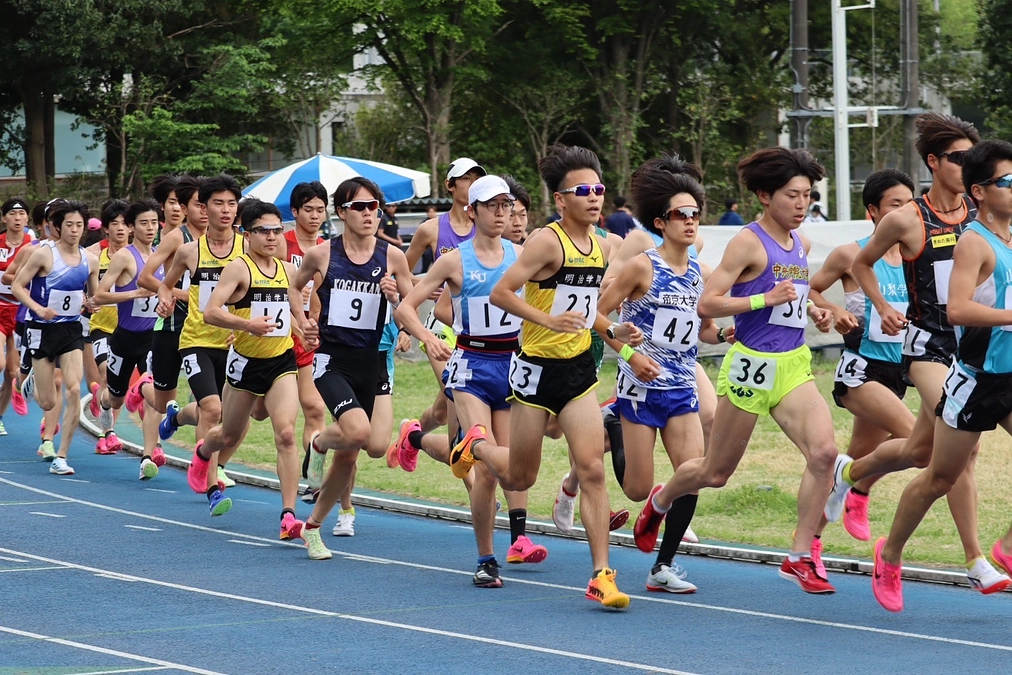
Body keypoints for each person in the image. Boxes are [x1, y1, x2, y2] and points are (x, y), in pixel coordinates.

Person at [825, 113, 1012, 594]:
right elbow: (862, 263)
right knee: (961, 457)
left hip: (978, 346)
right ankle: (976, 559)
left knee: (919, 451)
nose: (965, 166)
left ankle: (856, 474)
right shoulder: (908, 218)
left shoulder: (985, 217)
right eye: (957, 158)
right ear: (933, 162)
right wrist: (883, 305)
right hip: (928, 346)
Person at [649, 147, 841, 594]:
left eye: (807, 196)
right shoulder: (747, 242)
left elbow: (793, 293)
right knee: (715, 474)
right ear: (764, 196)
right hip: (750, 367)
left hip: (793, 365)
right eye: (792, 195)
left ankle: (798, 557)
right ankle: (661, 500)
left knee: (825, 454)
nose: (801, 205)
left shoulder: (803, 243)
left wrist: (817, 309)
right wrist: (763, 300)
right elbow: (708, 304)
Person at [463, 143, 640, 609]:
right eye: (582, 190)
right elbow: (502, 293)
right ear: (561, 199)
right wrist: (546, 322)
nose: (594, 196)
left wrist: (616, 333)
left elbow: (585, 313)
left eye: (599, 188)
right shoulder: (546, 240)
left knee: (593, 469)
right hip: (535, 372)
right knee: (522, 473)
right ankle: (475, 445)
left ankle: (602, 575)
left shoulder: (602, 245)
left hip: (579, 371)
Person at [871, 139, 1012, 612]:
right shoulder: (976, 241)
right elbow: (958, 309)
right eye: (1007, 183)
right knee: (939, 477)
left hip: (1010, 374)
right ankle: (889, 554)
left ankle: (1006, 550)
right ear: (980, 191)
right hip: (975, 379)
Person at [396, 175, 549, 588]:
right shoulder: (454, 261)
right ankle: (486, 557)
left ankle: (508, 539)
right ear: (472, 210)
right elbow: (406, 308)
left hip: (513, 366)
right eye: (493, 206)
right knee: (487, 464)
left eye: (507, 206)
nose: (501, 213)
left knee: (507, 468)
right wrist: (427, 337)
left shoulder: (523, 255)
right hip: (471, 365)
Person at [603, 164, 725, 594]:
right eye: (681, 215)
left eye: (695, 214)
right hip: (640, 386)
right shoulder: (641, 267)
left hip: (680, 387)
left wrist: (726, 333)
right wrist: (628, 351)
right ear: (660, 223)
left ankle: (662, 567)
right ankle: (613, 423)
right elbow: (594, 315)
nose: (690, 221)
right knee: (637, 489)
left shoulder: (701, 274)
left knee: (694, 472)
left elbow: (704, 329)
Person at [290, 177, 414, 559]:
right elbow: (293, 288)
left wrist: (398, 303)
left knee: (373, 447)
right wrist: (303, 322)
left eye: (373, 207)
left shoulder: (393, 256)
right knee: (357, 431)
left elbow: (411, 300)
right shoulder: (323, 255)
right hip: (333, 361)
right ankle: (319, 443)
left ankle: (311, 526)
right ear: (341, 212)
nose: (368, 214)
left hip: (373, 361)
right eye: (359, 207)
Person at [807, 170, 916, 557]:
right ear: (874, 211)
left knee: (856, 459)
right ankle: (861, 489)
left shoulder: (914, 258)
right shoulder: (851, 254)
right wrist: (834, 308)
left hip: (899, 372)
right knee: (918, 440)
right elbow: (811, 288)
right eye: (895, 205)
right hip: (860, 369)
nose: (906, 212)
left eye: (911, 203)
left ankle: (810, 545)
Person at [195, 199, 306, 530]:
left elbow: (294, 315)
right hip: (245, 364)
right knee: (227, 435)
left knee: (286, 433)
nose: (272, 237)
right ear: (246, 233)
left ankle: (288, 514)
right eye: (263, 231)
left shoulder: (288, 270)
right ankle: (203, 454)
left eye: (277, 230)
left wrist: (306, 331)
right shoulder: (239, 268)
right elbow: (211, 311)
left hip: (281, 362)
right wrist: (246, 325)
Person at [156, 174, 246, 506]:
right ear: (204, 207)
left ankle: (177, 417)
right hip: (195, 339)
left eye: (231, 204)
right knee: (212, 408)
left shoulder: (247, 248)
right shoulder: (188, 251)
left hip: (236, 344)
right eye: (218, 203)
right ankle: (211, 487)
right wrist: (166, 298)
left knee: (232, 416)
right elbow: (165, 283)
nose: (225, 210)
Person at [11, 201, 99, 476]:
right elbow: (16, 285)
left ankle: (62, 455)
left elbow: (93, 297)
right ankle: (33, 380)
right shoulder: (43, 255)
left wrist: (91, 303)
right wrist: (36, 308)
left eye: (79, 225)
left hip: (71, 329)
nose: (74, 230)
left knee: (74, 390)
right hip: (40, 329)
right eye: (69, 225)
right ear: (57, 227)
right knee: (48, 402)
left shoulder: (90, 260)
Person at [90, 199, 166, 480]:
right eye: (143, 223)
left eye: (153, 223)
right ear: (132, 227)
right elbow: (99, 295)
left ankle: (150, 454)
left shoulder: (160, 256)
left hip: (151, 337)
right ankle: (105, 397)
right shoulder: (125, 256)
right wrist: (134, 294)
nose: (149, 228)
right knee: (114, 399)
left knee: (154, 391)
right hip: (124, 339)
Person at [138, 176, 208, 420]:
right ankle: (141, 386)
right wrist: (182, 295)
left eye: (207, 203)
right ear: (185, 208)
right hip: (172, 326)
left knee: (211, 406)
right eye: (198, 204)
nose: (205, 209)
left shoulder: (223, 241)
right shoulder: (178, 238)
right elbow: (145, 277)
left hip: (206, 330)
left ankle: (200, 453)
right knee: (161, 403)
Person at [276, 182, 329, 500]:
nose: (314, 215)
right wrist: (297, 325)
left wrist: (315, 327)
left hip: (311, 334)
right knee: (257, 412)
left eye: (320, 210)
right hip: (278, 333)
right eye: (307, 209)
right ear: (294, 212)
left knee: (314, 408)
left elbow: (323, 295)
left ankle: (314, 479)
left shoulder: (327, 248)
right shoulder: (281, 243)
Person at [84, 200, 130, 454]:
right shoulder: (92, 255)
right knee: (106, 375)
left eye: (125, 223)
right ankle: (108, 433)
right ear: (106, 229)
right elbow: (78, 282)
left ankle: (106, 423)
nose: (120, 228)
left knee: (117, 386)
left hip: (130, 328)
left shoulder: (141, 255)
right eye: (115, 224)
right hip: (102, 327)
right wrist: (85, 299)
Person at [0, 198, 34, 434]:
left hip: (20, 311)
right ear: (4, 218)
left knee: (12, 373)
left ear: (27, 219)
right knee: (0, 363)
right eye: (12, 214)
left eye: (21, 214)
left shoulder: (34, 245)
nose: (17, 218)